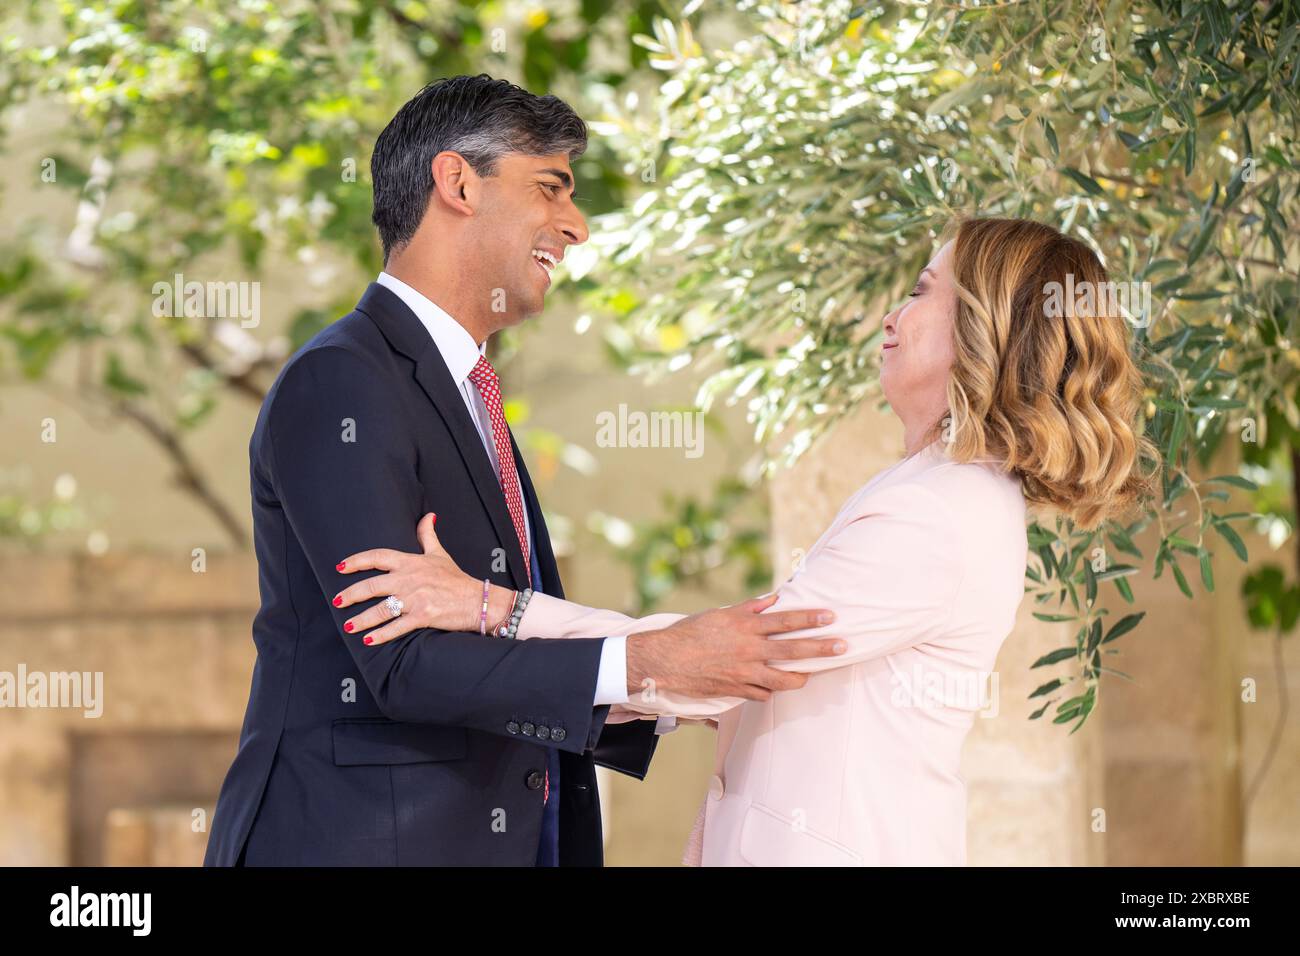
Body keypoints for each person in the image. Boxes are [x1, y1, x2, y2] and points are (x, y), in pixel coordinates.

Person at [336, 216, 1158, 865]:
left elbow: (727, 667)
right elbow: (725, 672)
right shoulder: (936, 493)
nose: (892, 315)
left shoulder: (938, 513)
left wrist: (490, 609)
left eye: (919, 292)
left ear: (984, 331)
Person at [204, 75, 845, 868]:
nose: (573, 226)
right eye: (550, 188)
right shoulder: (342, 380)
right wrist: (646, 663)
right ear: (457, 182)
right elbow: (399, 663)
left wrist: (664, 687)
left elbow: (496, 634)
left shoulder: (467, 389)